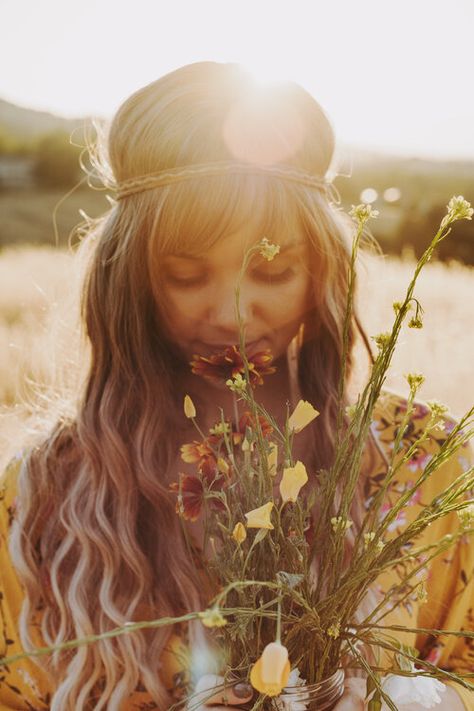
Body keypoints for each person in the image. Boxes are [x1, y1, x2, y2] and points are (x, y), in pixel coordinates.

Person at [0, 61, 472, 711]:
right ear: (130, 278)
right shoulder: (44, 496)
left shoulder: (427, 465)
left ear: (324, 270)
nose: (234, 312)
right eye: (188, 275)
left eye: (273, 271)